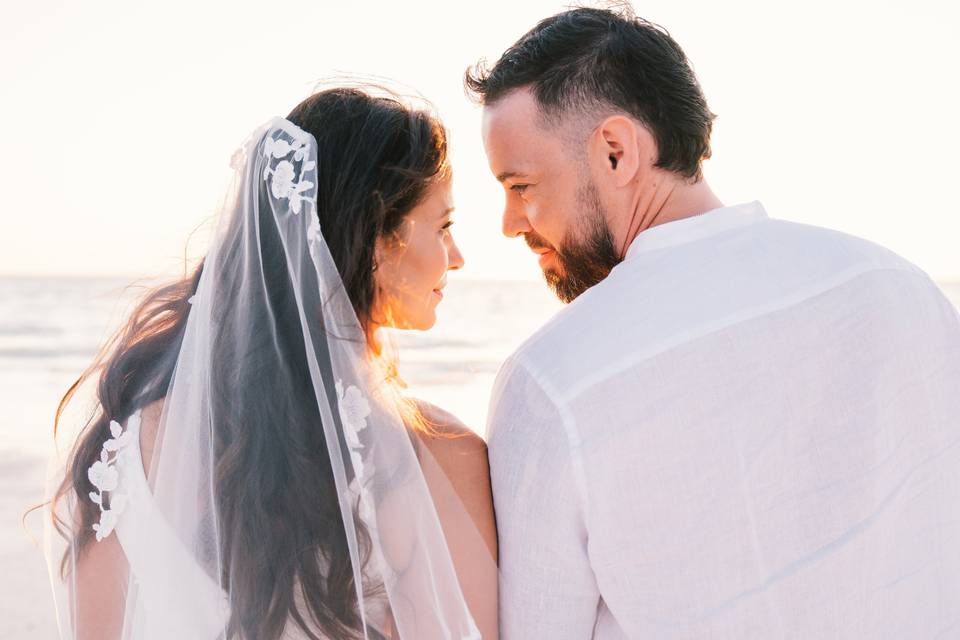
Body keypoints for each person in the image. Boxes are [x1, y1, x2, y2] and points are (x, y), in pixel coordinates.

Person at [469, 6, 960, 638]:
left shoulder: (552, 381)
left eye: (522, 185)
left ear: (616, 152)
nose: (510, 222)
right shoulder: (897, 284)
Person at [45, 87, 497, 639]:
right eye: (443, 227)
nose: (456, 256)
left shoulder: (135, 443)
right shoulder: (441, 459)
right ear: (378, 241)